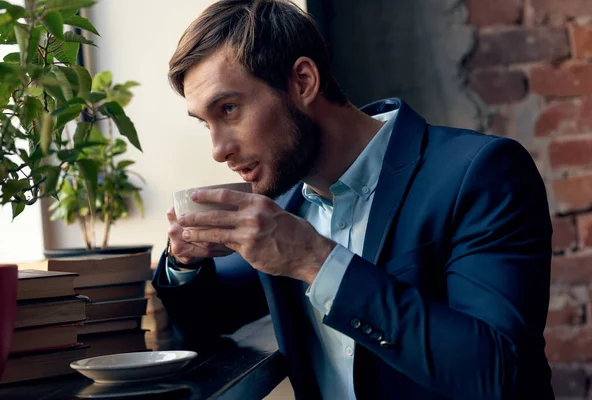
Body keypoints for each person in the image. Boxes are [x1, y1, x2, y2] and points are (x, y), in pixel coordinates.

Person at [152, 0, 555, 398]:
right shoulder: (285, 211)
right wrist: (185, 260)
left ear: (304, 81)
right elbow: (212, 319)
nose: (218, 150)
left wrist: (315, 260)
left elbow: (500, 374)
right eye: (206, 123)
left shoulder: (480, 173)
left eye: (229, 109)